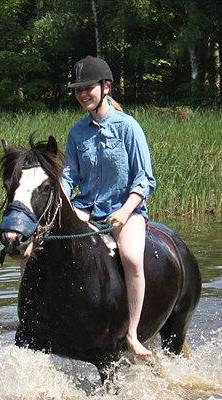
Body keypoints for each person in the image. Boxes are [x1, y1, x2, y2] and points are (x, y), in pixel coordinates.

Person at [60, 56, 157, 358]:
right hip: (85, 207)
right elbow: (68, 176)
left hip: (125, 210)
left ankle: (132, 333)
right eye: (78, 90)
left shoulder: (129, 127)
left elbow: (145, 179)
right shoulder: (77, 132)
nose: (82, 94)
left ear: (106, 87)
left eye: (88, 88)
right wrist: (59, 205)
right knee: (43, 245)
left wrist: (126, 211)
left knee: (132, 258)